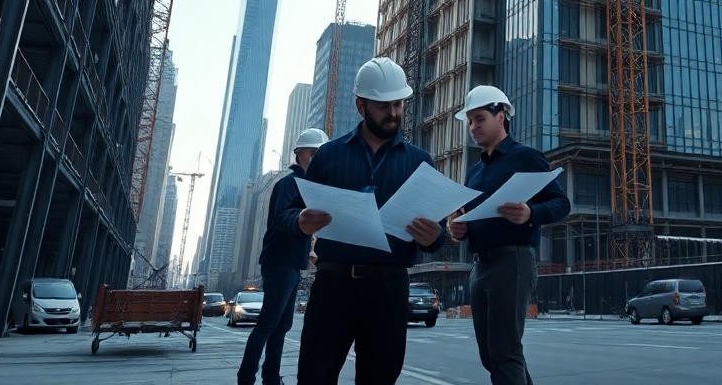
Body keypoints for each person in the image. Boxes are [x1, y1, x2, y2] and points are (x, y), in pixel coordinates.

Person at [277, 57, 447, 385]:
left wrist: (435, 236)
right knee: (314, 376)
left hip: (390, 289)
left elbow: (437, 236)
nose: (394, 113)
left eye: (399, 104)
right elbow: (289, 214)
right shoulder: (328, 156)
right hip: (333, 287)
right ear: (360, 105)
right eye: (384, 106)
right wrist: (300, 220)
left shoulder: (419, 162)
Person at [449, 85, 570, 385]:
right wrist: (457, 229)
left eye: (479, 119)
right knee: (491, 355)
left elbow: (561, 203)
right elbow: (470, 219)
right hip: (480, 266)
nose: (473, 127)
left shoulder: (526, 158)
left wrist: (531, 213)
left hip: (512, 261)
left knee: (504, 352)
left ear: (500, 116)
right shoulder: (474, 171)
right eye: (470, 121)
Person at [237, 127, 327, 385]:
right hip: (280, 262)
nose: (317, 159)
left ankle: (271, 378)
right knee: (268, 324)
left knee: (281, 326)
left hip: (292, 263)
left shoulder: (307, 186)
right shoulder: (290, 183)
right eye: (313, 153)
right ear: (299, 154)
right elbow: (282, 220)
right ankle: (246, 378)